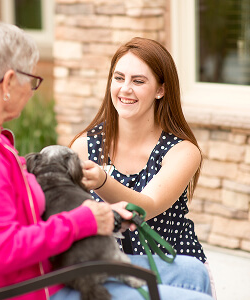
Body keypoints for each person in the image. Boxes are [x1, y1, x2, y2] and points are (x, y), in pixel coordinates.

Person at [0, 21, 213, 300]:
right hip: (38, 284)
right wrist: (83, 220)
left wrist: (97, 214)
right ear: (10, 82)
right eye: (32, 80)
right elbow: (2, 250)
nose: (31, 90)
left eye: (138, 80)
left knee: (194, 273)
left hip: (49, 267)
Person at [70, 37, 216, 298]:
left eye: (138, 81)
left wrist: (103, 181)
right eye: (118, 78)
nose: (125, 89)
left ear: (161, 90)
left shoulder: (182, 152)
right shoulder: (84, 147)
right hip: (109, 271)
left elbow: (144, 207)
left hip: (173, 272)